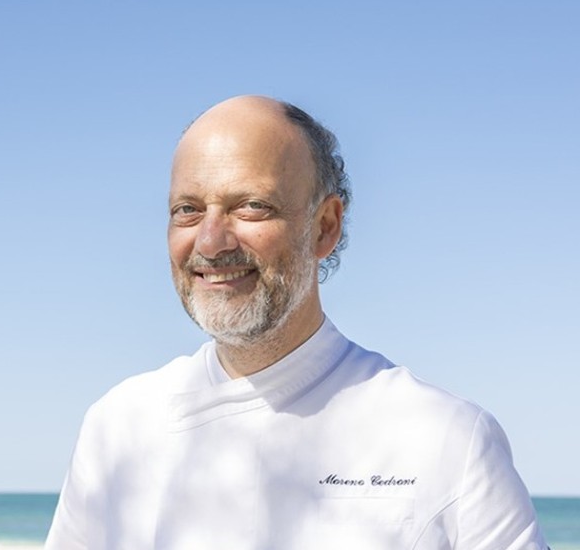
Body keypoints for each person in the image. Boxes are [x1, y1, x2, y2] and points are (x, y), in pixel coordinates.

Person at [44, 95, 548, 549]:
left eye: (252, 207)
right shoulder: (118, 426)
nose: (211, 242)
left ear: (324, 227)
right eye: (188, 210)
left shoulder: (448, 439)